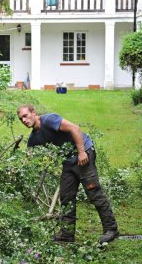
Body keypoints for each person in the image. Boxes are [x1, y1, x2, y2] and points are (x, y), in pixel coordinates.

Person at [17, 104, 119, 244]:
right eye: (20, 119)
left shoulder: (49, 120)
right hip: (68, 160)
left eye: (25, 116)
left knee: (93, 192)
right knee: (66, 197)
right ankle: (67, 235)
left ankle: (111, 229)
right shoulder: (34, 136)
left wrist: (81, 152)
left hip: (84, 152)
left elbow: (74, 128)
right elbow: (28, 158)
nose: (23, 120)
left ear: (33, 113)